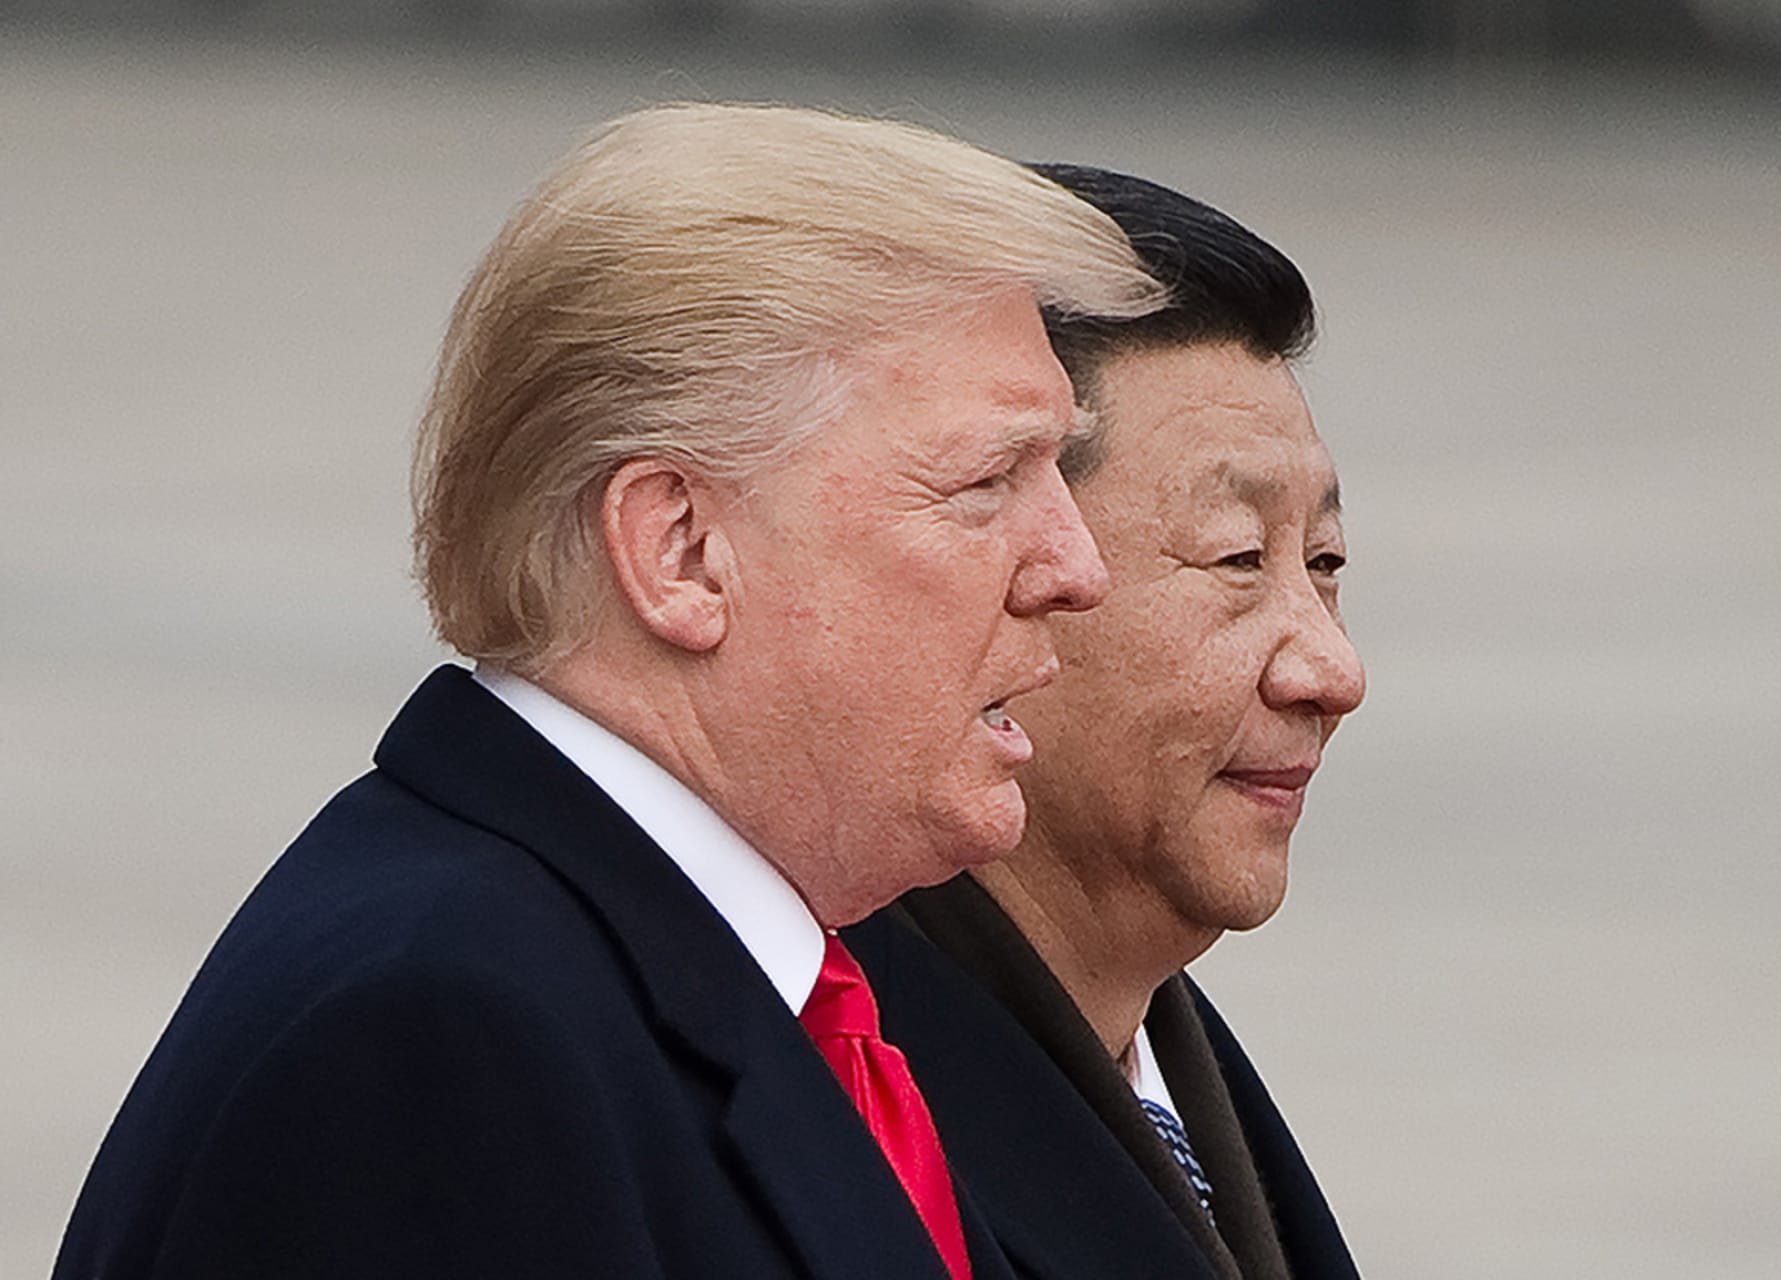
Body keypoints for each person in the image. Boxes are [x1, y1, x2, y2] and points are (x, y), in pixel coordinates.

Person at [52, 106, 1162, 1280]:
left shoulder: (738, 969)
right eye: (989, 479)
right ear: (678, 549)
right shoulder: (443, 1036)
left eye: (1060, 471)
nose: (1078, 568)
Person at [845, 165, 1367, 1280]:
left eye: (1322, 564)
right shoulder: (825, 1088)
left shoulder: (1164, 1054)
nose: (1331, 670)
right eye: (1238, 558)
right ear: (1007, 568)